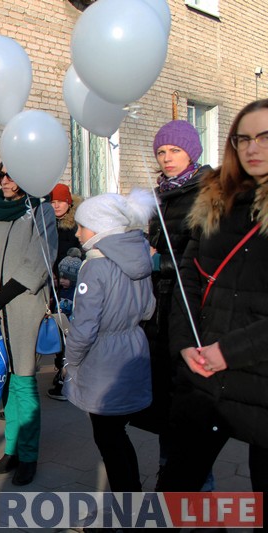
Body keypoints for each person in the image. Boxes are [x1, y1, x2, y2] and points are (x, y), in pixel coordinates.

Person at [157, 100, 268, 510]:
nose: (252, 148)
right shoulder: (216, 197)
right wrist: (184, 343)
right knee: (175, 491)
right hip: (204, 374)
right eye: (243, 138)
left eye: (264, 137)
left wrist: (229, 352)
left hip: (259, 377)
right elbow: (188, 277)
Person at [0, 162, 57, 486]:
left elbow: (38, 263)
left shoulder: (41, 213)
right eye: (2, 174)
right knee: (5, 383)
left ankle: (28, 455)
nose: (5, 180)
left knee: (23, 380)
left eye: (13, 174)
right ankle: (11, 450)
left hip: (22, 308)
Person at [135, 120, 212, 487]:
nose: (167, 159)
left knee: (191, 416)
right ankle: (171, 485)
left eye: (175, 151)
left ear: (192, 152)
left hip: (192, 313)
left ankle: (199, 499)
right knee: (168, 410)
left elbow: (204, 258)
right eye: (161, 152)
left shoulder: (207, 195)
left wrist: (157, 261)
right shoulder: (159, 196)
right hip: (159, 313)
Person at [62, 190, 156, 492]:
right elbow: (148, 308)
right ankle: (131, 498)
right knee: (117, 436)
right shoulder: (138, 256)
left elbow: (85, 327)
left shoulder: (96, 266)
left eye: (82, 226)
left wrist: (71, 362)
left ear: (100, 228)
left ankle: (126, 509)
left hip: (103, 360)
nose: (77, 233)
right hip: (132, 348)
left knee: (108, 440)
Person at [47, 183, 83, 401]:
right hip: (50, 288)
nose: (56, 205)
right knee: (57, 332)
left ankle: (65, 379)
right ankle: (62, 372)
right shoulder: (47, 224)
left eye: (60, 201)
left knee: (67, 333)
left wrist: (72, 278)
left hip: (70, 291)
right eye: (52, 201)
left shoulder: (75, 227)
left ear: (69, 202)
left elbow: (84, 256)